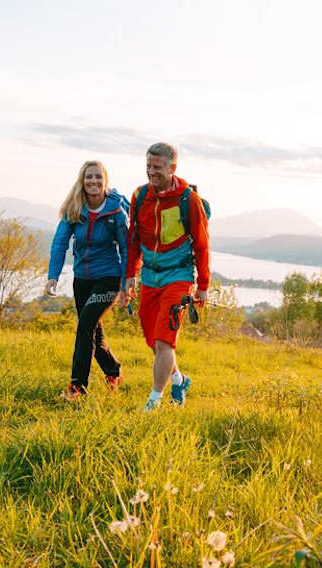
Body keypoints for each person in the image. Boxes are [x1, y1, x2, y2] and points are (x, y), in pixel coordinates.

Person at [123, 142, 210, 411]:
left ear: (172, 168)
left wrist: (203, 286)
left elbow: (202, 244)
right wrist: (130, 275)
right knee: (153, 341)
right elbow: (134, 239)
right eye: (148, 166)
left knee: (164, 340)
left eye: (157, 167)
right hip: (150, 277)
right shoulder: (139, 196)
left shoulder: (188, 200)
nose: (151, 172)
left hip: (179, 277)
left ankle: (153, 402)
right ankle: (179, 380)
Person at [45, 160, 129, 399]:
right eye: (89, 177)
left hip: (109, 277)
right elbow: (60, 242)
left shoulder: (116, 213)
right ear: (82, 181)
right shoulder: (75, 208)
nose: (93, 182)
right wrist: (53, 275)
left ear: (105, 181)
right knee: (93, 329)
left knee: (85, 326)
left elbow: (126, 249)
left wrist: (125, 284)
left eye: (98, 178)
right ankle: (113, 370)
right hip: (81, 278)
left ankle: (77, 387)